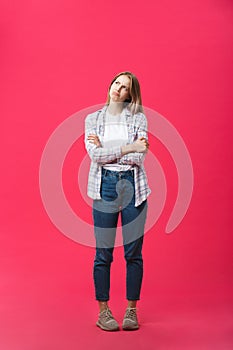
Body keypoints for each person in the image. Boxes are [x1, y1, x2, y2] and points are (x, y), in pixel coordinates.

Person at [84, 71, 151, 331]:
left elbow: (140, 157)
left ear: (130, 95)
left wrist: (112, 151)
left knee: (133, 252)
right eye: (116, 83)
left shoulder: (139, 118)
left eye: (125, 87)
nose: (118, 89)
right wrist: (128, 147)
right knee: (103, 253)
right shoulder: (93, 119)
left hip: (134, 186)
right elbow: (95, 156)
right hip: (105, 187)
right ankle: (104, 312)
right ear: (110, 85)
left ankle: (131, 311)